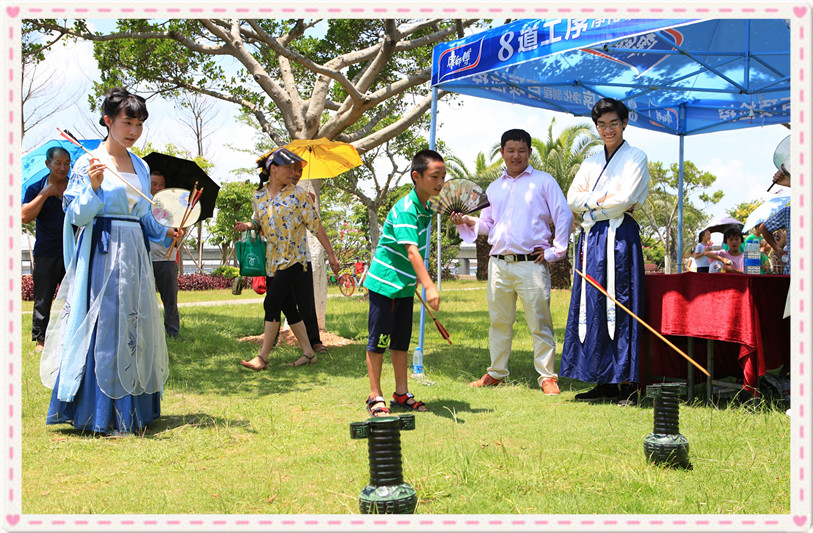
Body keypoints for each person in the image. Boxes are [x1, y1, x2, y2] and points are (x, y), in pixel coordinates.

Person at [39, 87, 183, 434]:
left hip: (135, 252)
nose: (133, 130)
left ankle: (136, 409)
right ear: (108, 121)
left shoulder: (142, 166)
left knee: (135, 324)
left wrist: (166, 233)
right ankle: (97, 411)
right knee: (106, 324)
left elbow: (146, 217)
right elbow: (76, 214)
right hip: (103, 251)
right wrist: (93, 187)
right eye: (127, 122)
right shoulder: (90, 162)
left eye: (139, 124)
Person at [451, 129, 572, 395]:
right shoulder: (495, 187)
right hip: (499, 264)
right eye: (510, 150)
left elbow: (563, 215)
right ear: (503, 153)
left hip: (532, 263)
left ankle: (547, 377)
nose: (515, 155)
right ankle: (496, 373)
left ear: (529, 152)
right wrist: (467, 221)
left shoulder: (544, 182)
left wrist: (556, 251)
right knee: (499, 322)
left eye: (521, 150)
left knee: (539, 322)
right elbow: (487, 224)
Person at [560, 98, 650, 406]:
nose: (607, 130)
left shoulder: (636, 156)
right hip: (592, 238)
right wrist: (604, 201)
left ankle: (626, 383)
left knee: (620, 303)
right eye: (601, 125)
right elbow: (572, 198)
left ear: (624, 123)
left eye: (613, 123)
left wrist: (591, 204)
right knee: (592, 303)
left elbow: (626, 199)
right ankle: (601, 379)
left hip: (620, 237)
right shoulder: (591, 161)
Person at [235, 148, 339, 370]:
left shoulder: (299, 194)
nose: (293, 171)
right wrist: (248, 226)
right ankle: (309, 353)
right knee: (289, 307)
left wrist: (331, 253)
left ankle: (262, 357)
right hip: (272, 260)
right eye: (289, 167)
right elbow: (260, 222)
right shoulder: (258, 196)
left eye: (295, 168)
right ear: (273, 169)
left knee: (271, 302)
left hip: (295, 259)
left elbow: (315, 225)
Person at [362, 149, 445, 416]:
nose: (441, 182)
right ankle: (375, 396)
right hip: (385, 284)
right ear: (416, 176)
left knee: (400, 342)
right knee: (379, 341)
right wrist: (429, 285)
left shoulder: (427, 205)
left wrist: (462, 218)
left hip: (405, 286)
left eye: (443, 176)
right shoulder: (407, 209)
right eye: (435, 176)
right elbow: (412, 251)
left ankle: (401, 393)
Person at [22, 146, 70, 352]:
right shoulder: (36, 187)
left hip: (73, 251)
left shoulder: (75, 187)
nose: (63, 167)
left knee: (74, 295)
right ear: (48, 164)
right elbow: (24, 216)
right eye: (58, 163)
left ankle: (72, 335)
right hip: (46, 252)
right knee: (43, 297)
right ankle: (40, 340)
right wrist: (44, 194)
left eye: (67, 163)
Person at [290, 160, 330, 355]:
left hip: (300, 258)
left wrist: (331, 253)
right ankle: (269, 344)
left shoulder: (303, 197)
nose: (297, 173)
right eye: (294, 169)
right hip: (276, 261)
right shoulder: (269, 196)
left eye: (300, 170)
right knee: (274, 303)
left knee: (306, 302)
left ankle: (313, 341)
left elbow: (315, 225)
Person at [149, 170, 181, 338]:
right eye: (154, 183)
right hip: (145, 258)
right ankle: (147, 333)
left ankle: (173, 333)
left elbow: (177, 231)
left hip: (166, 259)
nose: (157, 187)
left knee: (170, 301)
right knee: (144, 300)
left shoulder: (170, 209)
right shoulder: (141, 206)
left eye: (161, 184)